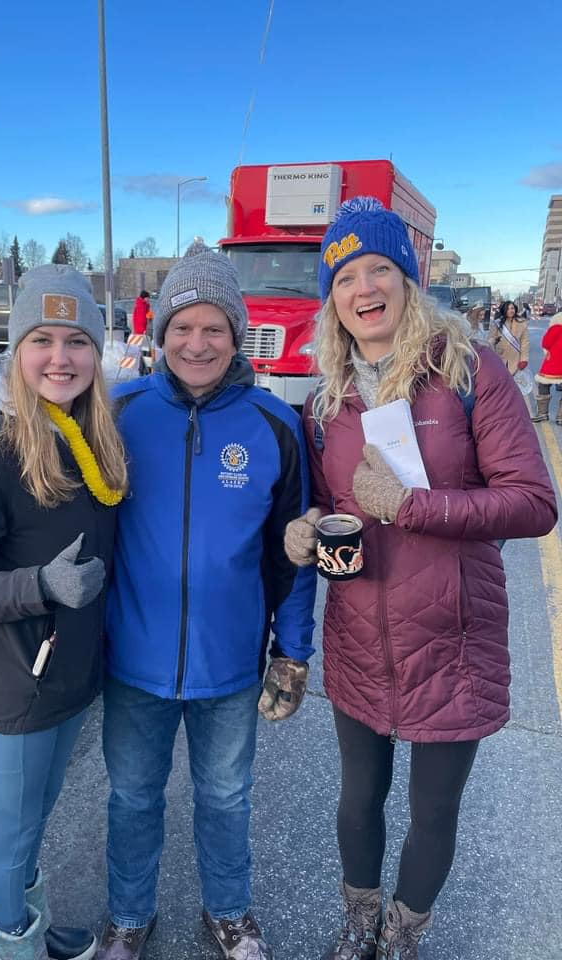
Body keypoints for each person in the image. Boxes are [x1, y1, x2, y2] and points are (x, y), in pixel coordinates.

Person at [283, 198, 557, 960]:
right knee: (358, 797)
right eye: (344, 277)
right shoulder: (326, 399)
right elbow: (326, 502)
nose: (363, 288)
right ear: (332, 299)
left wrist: (412, 505)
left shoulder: (469, 371)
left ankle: (404, 932)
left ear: (407, 279)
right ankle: (359, 922)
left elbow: (536, 504)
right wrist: (305, 530)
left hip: (452, 634)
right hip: (361, 632)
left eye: (379, 269)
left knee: (433, 808)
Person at [97, 241, 317, 960]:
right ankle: (129, 916)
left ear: (235, 335)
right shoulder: (117, 412)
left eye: (213, 328)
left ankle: (229, 912)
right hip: (134, 660)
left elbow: (296, 556)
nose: (197, 343)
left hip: (230, 663)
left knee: (226, 799)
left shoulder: (274, 425)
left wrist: (293, 651)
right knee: (132, 798)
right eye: (182, 327)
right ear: (160, 335)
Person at [0, 264, 128, 960]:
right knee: (11, 832)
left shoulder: (83, 432)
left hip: (67, 681)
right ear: (15, 350)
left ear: (98, 354)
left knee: (35, 819)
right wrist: (39, 585)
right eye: (43, 339)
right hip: (11, 686)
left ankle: (33, 927)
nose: (61, 357)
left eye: (78, 341)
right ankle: (16, 944)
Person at [530, 310, 562, 423]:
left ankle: (543, 413)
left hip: (554, 361)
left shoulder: (556, 327)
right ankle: (561, 417)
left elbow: (546, 343)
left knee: (544, 384)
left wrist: (548, 352)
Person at [488, 300, 529, 374]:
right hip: (500, 358)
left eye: (512, 308)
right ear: (504, 310)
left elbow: (525, 342)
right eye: (508, 309)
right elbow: (490, 340)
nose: (510, 311)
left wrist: (524, 359)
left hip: (516, 359)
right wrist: (494, 341)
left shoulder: (522, 323)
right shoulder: (497, 323)